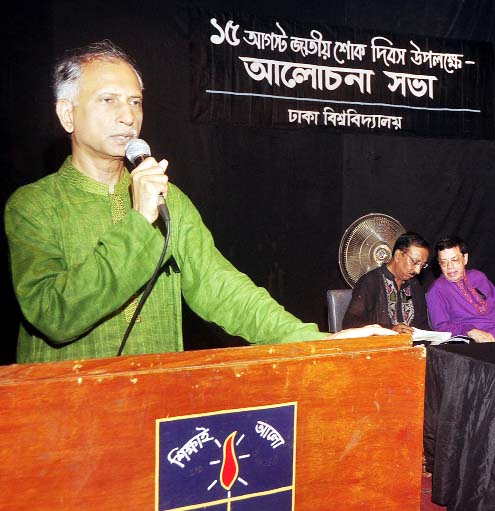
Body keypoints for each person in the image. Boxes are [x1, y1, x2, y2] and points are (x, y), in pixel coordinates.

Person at [4, 40, 393, 364]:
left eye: (135, 102)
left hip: (157, 410)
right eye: (108, 100)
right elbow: (54, 314)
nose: (127, 116)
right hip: (63, 421)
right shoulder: (34, 206)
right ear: (67, 114)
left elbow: (221, 288)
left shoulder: (168, 199)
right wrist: (140, 221)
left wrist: (315, 341)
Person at [426, 236, 495, 343]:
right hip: (471, 343)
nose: (449, 266)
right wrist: (470, 331)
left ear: (464, 258)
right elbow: (441, 327)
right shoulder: (437, 289)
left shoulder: (478, 276)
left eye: (454, 260)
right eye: (443, 262)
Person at [342, 232, 431, 334]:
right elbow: (350, 323)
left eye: (422, 265)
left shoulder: (415, 286)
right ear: (398, 255)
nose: (418, 270)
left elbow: (423, 325)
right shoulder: (371, 282)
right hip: (380, 347)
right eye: (415, 262)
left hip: (413, 347)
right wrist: (390, 329)